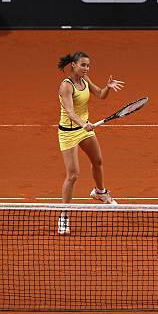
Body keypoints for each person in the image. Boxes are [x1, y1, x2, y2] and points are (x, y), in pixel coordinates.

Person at [57, 51, 124, 234]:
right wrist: (83, 124)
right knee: (73, 175)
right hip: (69, 133)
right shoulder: (66, 86)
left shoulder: (85, 81)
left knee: (98, 161)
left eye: (88, 66)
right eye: (83, 65)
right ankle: (64, 216)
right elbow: (70, 112)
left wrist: (108, 87)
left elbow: (101, 95)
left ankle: (100, 192)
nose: (86, 68)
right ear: (74, 65)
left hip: (84, 129)